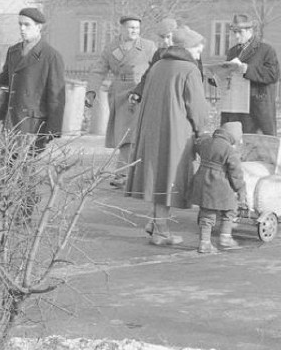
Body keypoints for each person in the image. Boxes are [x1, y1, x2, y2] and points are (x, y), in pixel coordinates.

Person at [125, 25, 209, 246]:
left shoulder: (159, 65)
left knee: (158, 178)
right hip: (176, 134)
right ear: (188, 48)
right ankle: (161, 231)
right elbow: (197, 108)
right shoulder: (190, 70)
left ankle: (155, 223)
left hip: (153, 130)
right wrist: (202, 132)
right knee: (169, 179)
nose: (199, 55)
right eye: (198, 50)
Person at [84, 15, 156, 187]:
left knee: (134, 133)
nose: (134, 31)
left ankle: (127, 173)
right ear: (121, 29)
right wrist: (91, 91)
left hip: (140, 91)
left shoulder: (148, 46)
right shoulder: (111, 47)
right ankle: (127, 173)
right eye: (131, 28)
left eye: (137, 28)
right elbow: (99, 70)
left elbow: (157, 67)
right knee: (124, 133)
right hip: (119, 93)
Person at [0, 7, 66, 153]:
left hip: (33, 124)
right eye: (20, 24)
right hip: (11, 121)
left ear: (39, 27)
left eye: (27, 24)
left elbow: (56, 96)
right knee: (5, 167)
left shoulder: (51, 56)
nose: (22, 28)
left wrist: (52, 129)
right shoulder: (13, 51)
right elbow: (3, 81)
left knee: (26, 169)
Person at [189, 121, 249, 253]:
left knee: (207, 213)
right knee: (230, 209)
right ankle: (225, 238)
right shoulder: (229, 150)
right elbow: (236, 174)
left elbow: (197, 144)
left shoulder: (206, 142)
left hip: (203, 182)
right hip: (220, 185)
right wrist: (240, 189)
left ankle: (204, 243)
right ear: (232, 137)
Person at [222, 14, 280, 136]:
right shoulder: (233, 52)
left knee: (260, 148)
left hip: (257, 109)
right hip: (236, 107)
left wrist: (247, 69)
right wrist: (218, 75)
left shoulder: (266, 50)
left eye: (240, 32)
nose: (236, 36)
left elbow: (273, 74)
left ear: (250, 31)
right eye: (234, 32)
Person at [129, 16, 177, 105]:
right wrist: (138, 92)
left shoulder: (189, 52)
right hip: (161, 98)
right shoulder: (159, 54)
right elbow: (148, 75)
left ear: (176, 34)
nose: (165, 41)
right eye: (163, 38)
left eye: (168, 37)